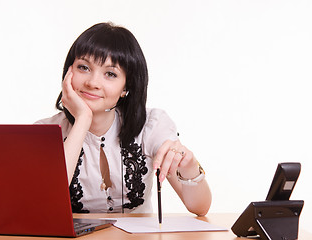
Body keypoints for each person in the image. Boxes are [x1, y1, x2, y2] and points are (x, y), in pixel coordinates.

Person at [36, 22, 212, 215]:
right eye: (83, 67)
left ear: (126, 88)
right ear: (68, 72)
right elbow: (42, 203)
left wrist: (189, 166)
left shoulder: (151, 125)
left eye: (110, 74)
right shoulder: (45, 132)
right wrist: (83, 120)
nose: (92, 82)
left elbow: (200, 208)